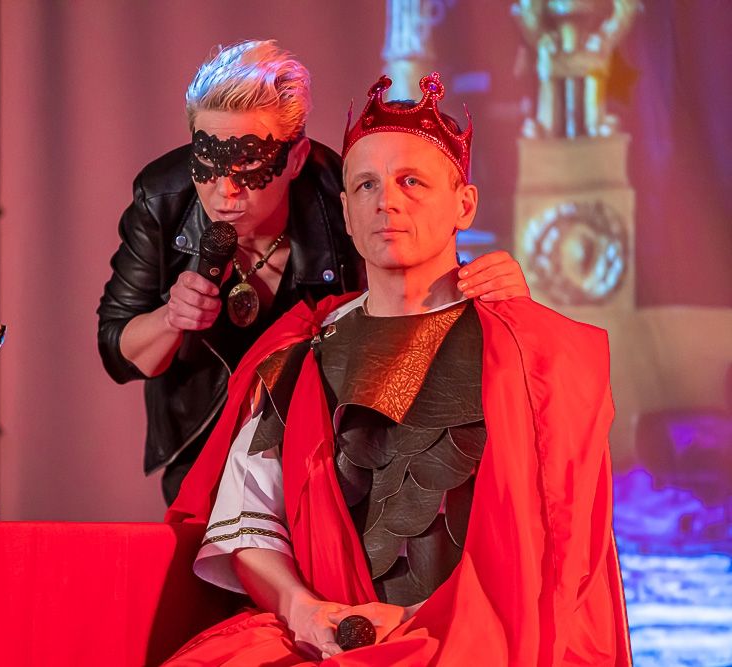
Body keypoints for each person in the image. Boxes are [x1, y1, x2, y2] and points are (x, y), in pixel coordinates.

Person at [163, 73, 630, 665]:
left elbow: (558, 553)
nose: (386, 201)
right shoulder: (296, 355)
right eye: (366, 184)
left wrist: (420, 622)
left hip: (482, 637)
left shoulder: (535, 356)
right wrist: (305, 611)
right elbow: (248, 523)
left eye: (412, 181)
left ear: (464, 205)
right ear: (346, 212)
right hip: (325, 639)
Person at [97, 41, 531, 504]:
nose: (225, 190)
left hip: (332, 446)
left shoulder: (341, 198)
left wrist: (479, 289)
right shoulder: (161, 200)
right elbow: (118, 353)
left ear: (296, 158)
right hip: (203, 447)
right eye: (206, 161)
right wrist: (172, 319)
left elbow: (406, 287)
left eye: (249, 162)